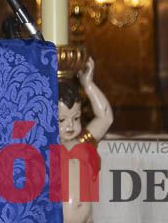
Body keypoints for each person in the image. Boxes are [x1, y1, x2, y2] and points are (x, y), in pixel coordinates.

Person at [57, 58, 112, 223]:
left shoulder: (82, 143)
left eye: (76, 118)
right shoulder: (45, 148)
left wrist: (88, 85)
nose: (70, 125)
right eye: (61, 120)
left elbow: (105, 118)